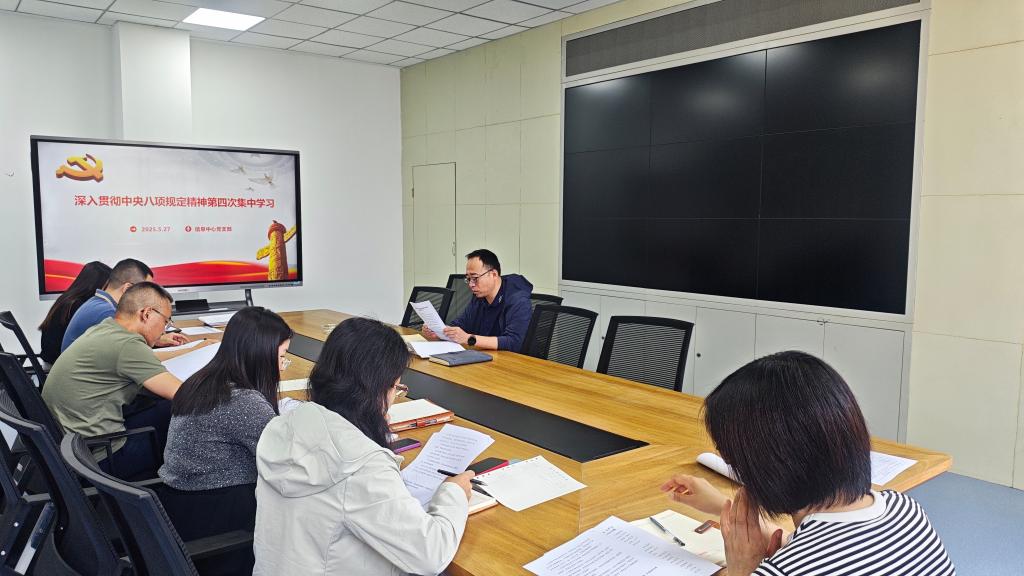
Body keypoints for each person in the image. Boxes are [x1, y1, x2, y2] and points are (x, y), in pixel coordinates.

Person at [660, 351, 954, 576]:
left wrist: (742, 568)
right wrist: (720, 506)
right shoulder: (907, 509)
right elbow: (835, 553)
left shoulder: (785, 570)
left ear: (768, 467)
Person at [254, 317, 473, 576]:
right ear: (376, 389)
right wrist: (453, 494)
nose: (393, 397)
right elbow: (431, 555)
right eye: (395, 387)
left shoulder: (282, 426)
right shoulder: (362, 465)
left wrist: (366, 430)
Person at [158, 306, 291, 576]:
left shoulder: (202, 380)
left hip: (180, 507)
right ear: (260, 356)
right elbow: (285, 461)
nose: (281, 366)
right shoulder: (243, 401)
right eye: (281, 357)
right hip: (216, 519)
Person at [43, 282, 183, 480]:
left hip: (71, 445)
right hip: (99, 456)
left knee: (162, 408)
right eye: (166, 321)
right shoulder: (127, 344)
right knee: (183, 414)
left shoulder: (107, 327)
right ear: (146, 314)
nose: (164, 329)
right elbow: (184, 395)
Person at [61, 258, 187, 352]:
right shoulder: (107, 313)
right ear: (127, 288)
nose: (150, 296)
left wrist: (158, 340)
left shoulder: (99, 303)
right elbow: (136, 354)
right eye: (145, 289)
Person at [422, 249, 533, 352]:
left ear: (494, 274)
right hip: (485, 356)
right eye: (468, 279)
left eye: (475, 278)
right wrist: (439, 331)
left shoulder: (518, 300)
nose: (471, 284)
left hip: (512, 361)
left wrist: (469, 339)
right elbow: (461, 324)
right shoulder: (479, 297)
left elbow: (514, 342)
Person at [37, 260, 111, 365]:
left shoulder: (68, 299)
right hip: (60, 362)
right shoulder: (79, 306)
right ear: (98, 285)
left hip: (51, 357)